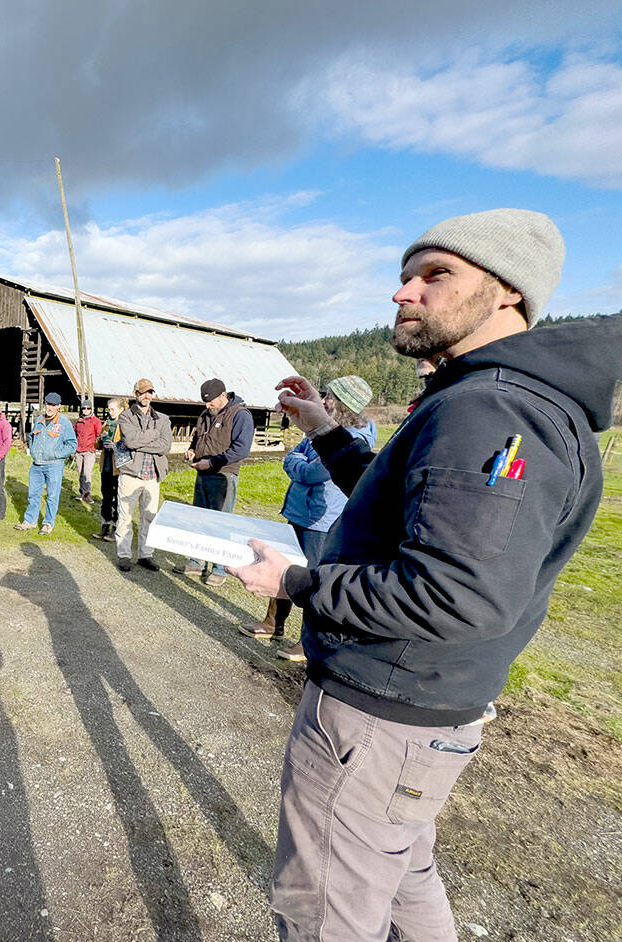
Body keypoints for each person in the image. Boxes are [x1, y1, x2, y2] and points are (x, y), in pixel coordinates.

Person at [229, 209, 617, 941]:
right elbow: (406, 501)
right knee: (404, 873)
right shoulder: (496, 396)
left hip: (380, 717)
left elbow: (458, 594)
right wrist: (327, 430)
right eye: (406, 275)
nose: (405, 292)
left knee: (325, 917)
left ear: (508, 293)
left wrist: (297, 585)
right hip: (422, 712)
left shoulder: (491, 408)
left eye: (435, 275)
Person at [242, 375, 376, 655]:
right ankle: (273, 625)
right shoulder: (321, 431)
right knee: (285, 566)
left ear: (345, 405)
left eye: (331, 398)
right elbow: (293, 457)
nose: (324, 401)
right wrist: (299, 461)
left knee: (312, 579)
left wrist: (299, 463)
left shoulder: (354, 439)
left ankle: (307, 642)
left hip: (321, 521)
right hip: (300, 513)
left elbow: (314, 472)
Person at [175, 377, 254, 586]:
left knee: (221, 523)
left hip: (223, 474)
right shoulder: (205, 414)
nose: (207, 405)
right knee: (198, 518)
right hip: (202, 472)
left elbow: (241, 449)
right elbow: (197, 438)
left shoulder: (240, 415)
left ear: (223, 396)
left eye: (210, 401)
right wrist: (192, 451)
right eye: (205, 401)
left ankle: (219, 568)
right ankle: (196, 561)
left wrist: (211, 463)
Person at [113, 380, 172, 570]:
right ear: (135, 393)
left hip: (152, 476)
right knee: (125, 517)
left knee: (149, 517)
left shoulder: (163, 419)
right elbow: (129, 441)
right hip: (131, 474)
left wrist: (141, 441)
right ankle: (124, 555)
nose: (146, 396)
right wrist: (154, 435)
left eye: (150, 393)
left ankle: (145, 555)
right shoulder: (126, 417)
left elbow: (166, 446)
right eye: (143, 392)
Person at [15, 392, 77, 534]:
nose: (50, 407)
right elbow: (32, 437)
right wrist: (33, 450)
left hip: (54, 465)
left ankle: (48, 524)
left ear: (59, 407)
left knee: (52, 496)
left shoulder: (64, 423)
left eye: (53, 405)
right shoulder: (39, 420)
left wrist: (57, 454)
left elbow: (72, 445)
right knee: (33, 494)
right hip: (37, 465)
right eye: (48, 404)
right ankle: (29, 521)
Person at [91, 397, 127, 541]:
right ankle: (104, 527)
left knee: (116, 499)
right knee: (105, 498)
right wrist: (101, 439)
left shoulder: (124, 425)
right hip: (105, 466)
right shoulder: (107, 424)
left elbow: (129, 446)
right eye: (109, 409)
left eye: (112, 409)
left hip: (117, 468)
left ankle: (116, 529)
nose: (110, 412)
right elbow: (96, 445)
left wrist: (116, 446)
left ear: (121, 409)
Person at [73, 401, 103, 503]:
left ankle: (87, 494)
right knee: (80, 472)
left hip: (89, 451)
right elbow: (74, 434)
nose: (86, 410)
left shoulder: (96, 421)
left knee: (87, 473)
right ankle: (82, 492)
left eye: (88, 408)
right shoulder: (79, 421)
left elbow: (99, 435)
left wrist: (94, 448)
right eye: (84, 408)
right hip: (79, 450)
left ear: (91, 409)